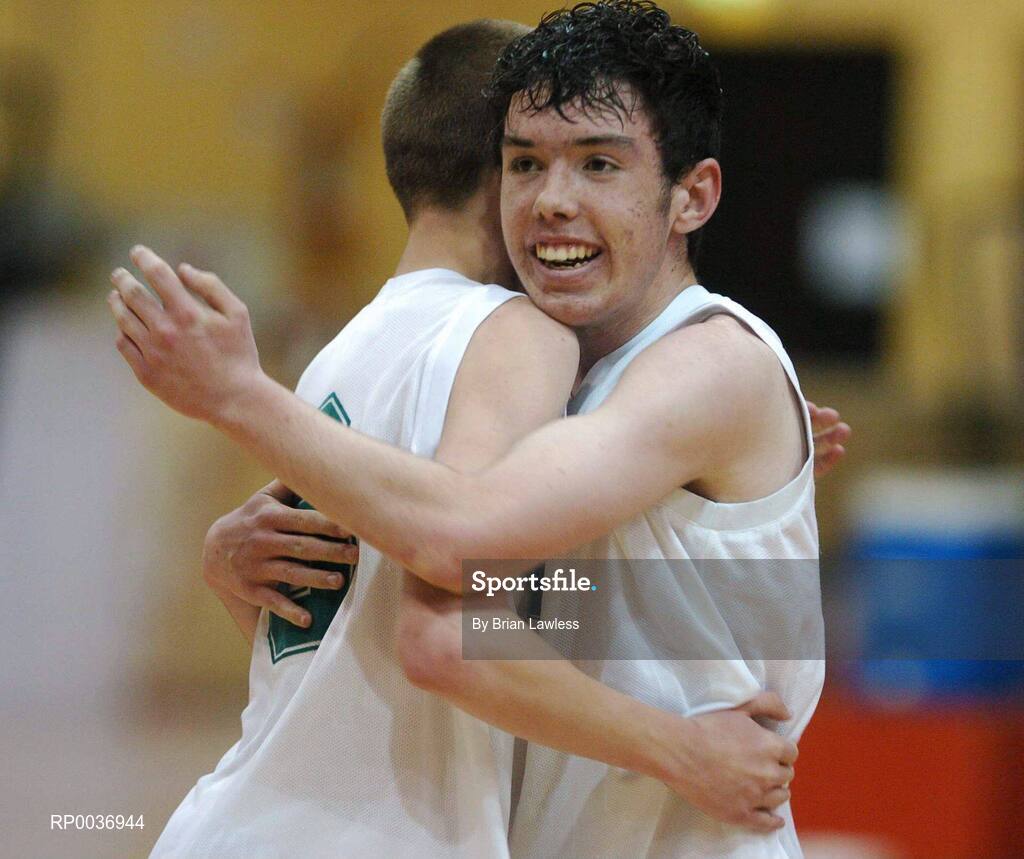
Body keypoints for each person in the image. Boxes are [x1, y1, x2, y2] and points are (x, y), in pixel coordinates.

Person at [109, 6, 849, 857]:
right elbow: (508, 621)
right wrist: (252, 569)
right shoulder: (573, 376)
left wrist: (240, 395)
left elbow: (453, 600)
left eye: (599, 164)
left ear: (694, 195)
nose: (552, 200)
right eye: (525, 164)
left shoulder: (703, 364)